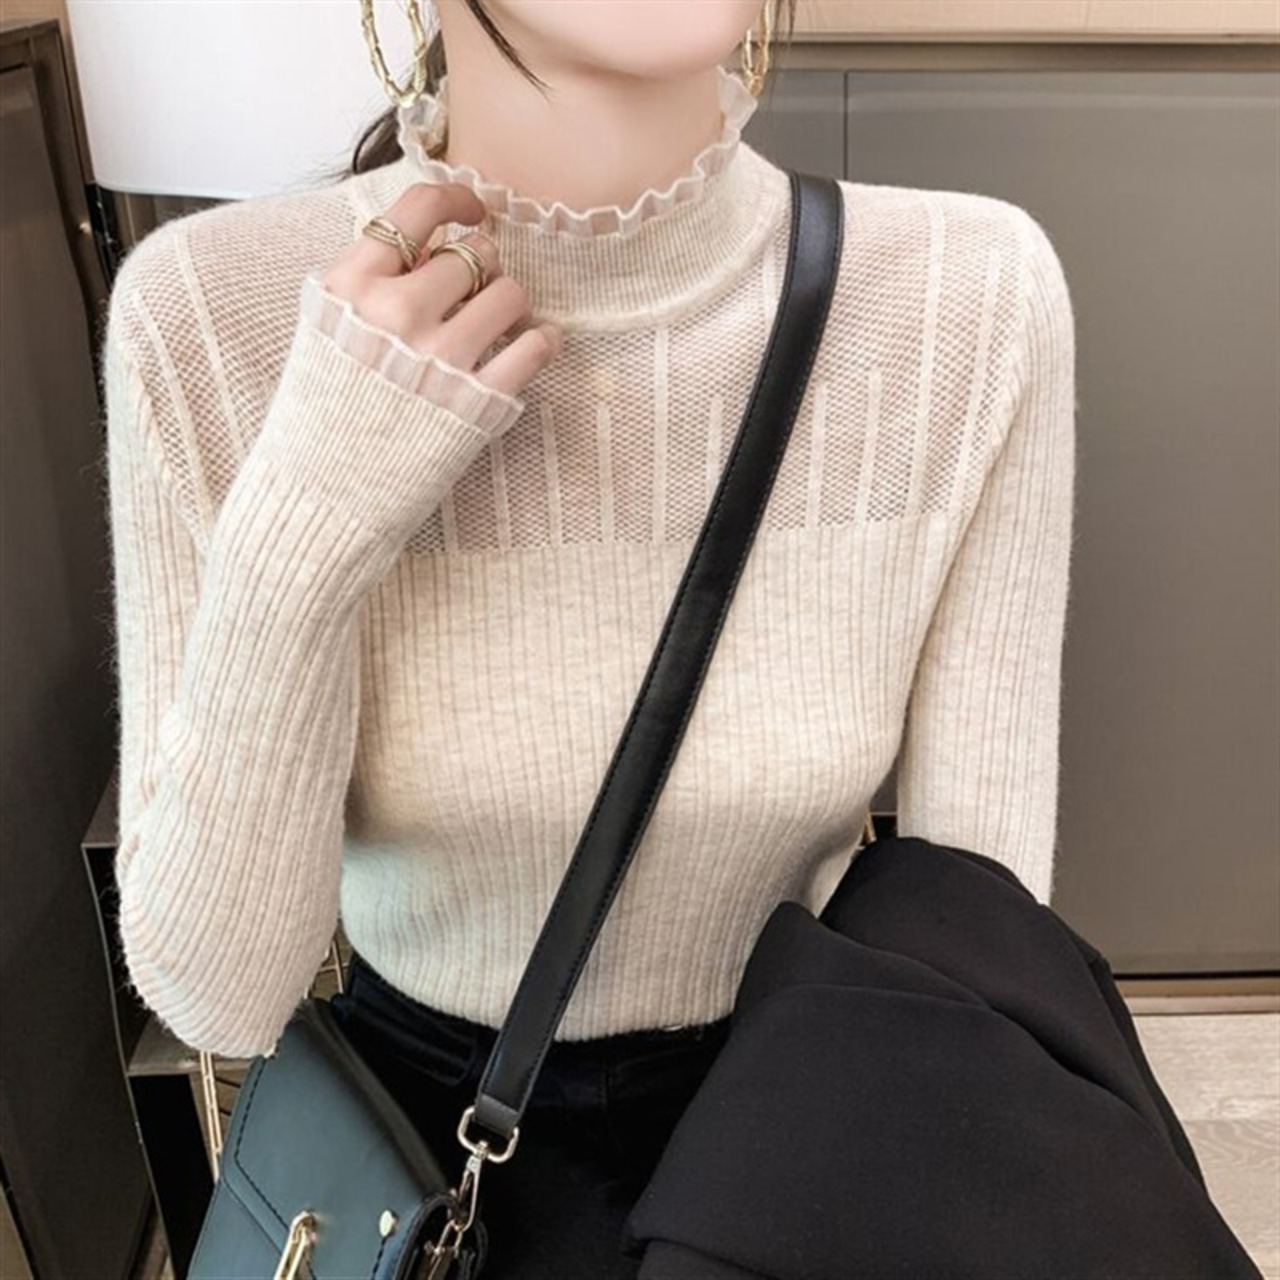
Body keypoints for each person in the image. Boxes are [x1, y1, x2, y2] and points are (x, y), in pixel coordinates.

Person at [100, 0, 1076, 1273]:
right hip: (420, 1177)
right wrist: (317, 502)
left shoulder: (965, 297)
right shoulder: (206, 314)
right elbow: (218, 991)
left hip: (810, 1137)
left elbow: (978, 946)